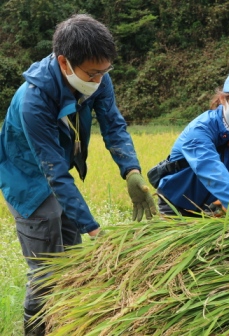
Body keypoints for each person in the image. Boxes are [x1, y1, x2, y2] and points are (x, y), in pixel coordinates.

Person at [0, 14, 157, 335]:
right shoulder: (33, 100)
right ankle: (35, 332)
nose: (99, 80)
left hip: (58, 171)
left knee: (72, 262)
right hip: (27, 179)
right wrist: (95, 230)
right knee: (46, 273)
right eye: (93, 73)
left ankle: (67, 326)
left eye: (105, 71)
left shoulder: (95, 76)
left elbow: (113, 124)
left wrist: (131, 170)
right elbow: (53, 172)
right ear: (64, 62)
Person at [151, 68, 229, 249]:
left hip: (210, 207)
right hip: (176, 202)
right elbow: (210, 170)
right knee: (174, 253)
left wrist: (227, 203)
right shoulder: (200, 129)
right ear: (224, 99)